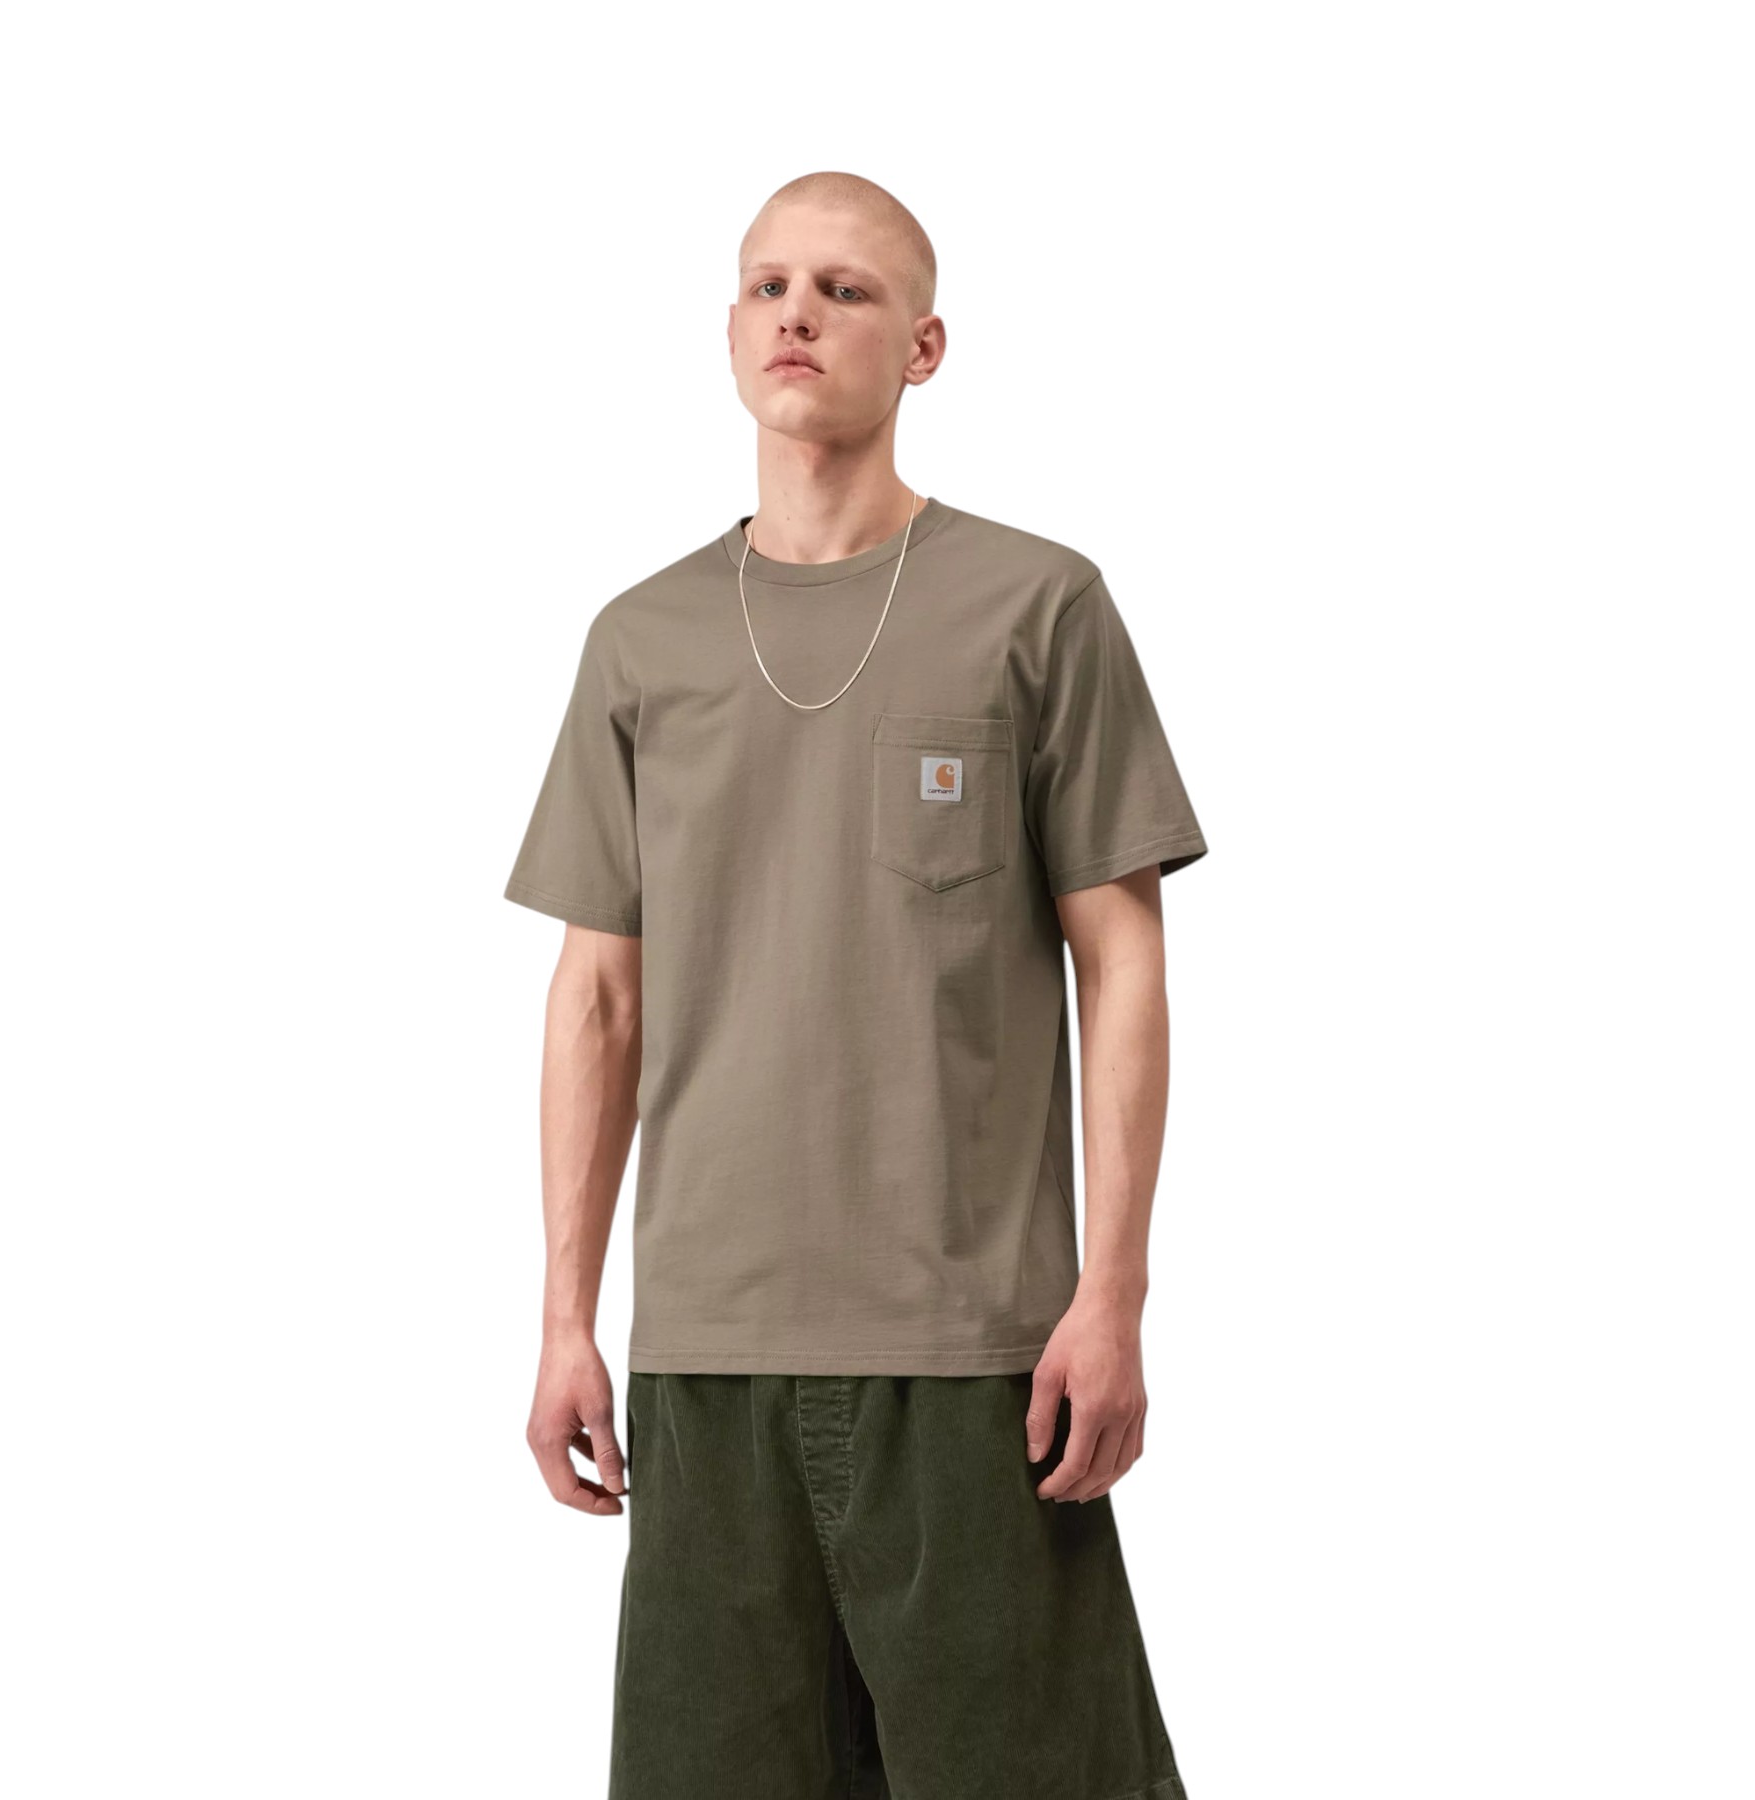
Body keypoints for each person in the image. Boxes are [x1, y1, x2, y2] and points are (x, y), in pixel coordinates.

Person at [505, 169, 1206, 1800]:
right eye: (767, 286)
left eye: (845, 288)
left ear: (926, 346)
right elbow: (595, 999)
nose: (798, 315)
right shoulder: (642, 641)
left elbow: (1121, 957)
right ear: (728, 331)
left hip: (973, 1356)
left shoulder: (1037, 604)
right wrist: (564, 1321)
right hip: (703, 1356)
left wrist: (1113, 1295)